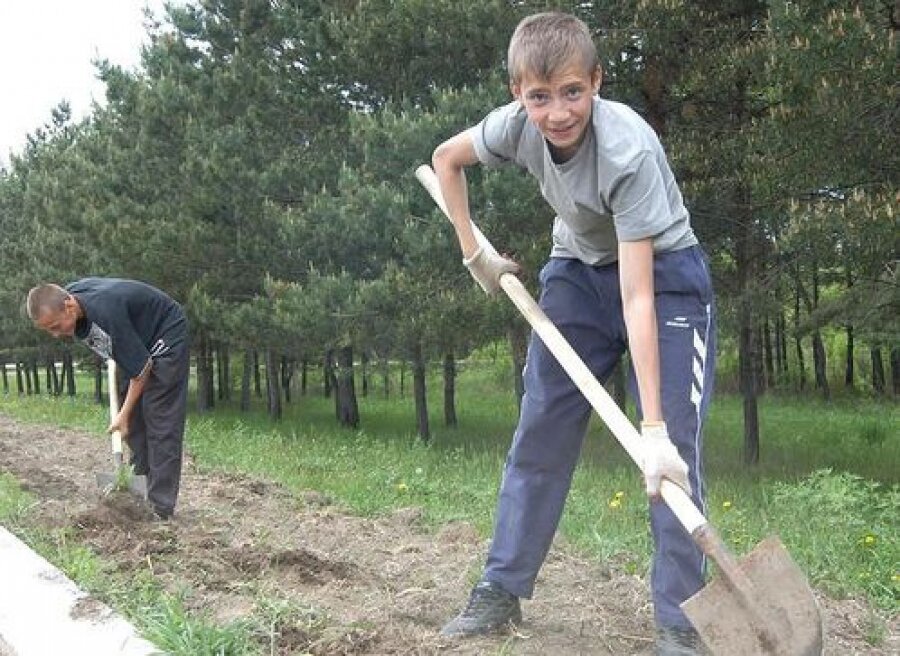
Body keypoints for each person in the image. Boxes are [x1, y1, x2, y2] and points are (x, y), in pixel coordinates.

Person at [430, 12, 716, 656]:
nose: (557, 112)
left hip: (663, 279)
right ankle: (500, 591)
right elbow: (446, 161)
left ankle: (680, 623)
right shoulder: (513, 128)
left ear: (595, 82)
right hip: (576, 273)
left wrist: (653, 430)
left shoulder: (628, 150)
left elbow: (638, 293)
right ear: (517, 95)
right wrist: (476, 253)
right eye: (539, 97)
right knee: (540, 429)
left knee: (670, 455)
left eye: (571, 92)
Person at [26, 278, 190, 520]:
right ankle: (139, 489)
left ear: (69, 307)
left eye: (55, 326)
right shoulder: (70, 300)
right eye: (49, 330)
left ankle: (160, 508)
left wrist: (121, 415)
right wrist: (128, 414)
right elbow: (123, 356)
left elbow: (143, 370)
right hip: (136, 337)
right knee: (135, 421)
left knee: (160, 418)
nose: (54, 334)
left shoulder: (106, 312)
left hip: (164, 331)